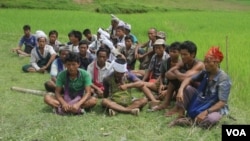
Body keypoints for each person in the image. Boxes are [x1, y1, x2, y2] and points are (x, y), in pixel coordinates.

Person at [168, 46, 232, 129]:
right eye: (205, 62)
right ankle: (181, 116)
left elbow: (222, 102)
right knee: (186, 89)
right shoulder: (206, 72)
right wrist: (180, 90)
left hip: (214, 107)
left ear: (217, 62)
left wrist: (206, 111)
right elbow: (189, 78)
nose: (205, 64)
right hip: (202, 100)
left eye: (208, 62)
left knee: (211, 119)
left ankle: (190, 122)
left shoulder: (223, 79)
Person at [152, 40, 205, 111]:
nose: (182, 57)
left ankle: (178, 107)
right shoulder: (183, 62)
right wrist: (179, 75)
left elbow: (184, 78)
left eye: (185, 54)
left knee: (183, 80)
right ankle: (166, 103)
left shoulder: (199, 65)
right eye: (181, 54)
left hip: (198, 92)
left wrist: (176, 72)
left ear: (192, 54)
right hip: (186, 87)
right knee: (175, 79)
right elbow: (167, 74)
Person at [146, 41, 181, 107]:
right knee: (142, 85)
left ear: (179, 53)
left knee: (171, 95)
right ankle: (154, 100)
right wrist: (161, 84)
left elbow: (179, 82)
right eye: (170, 51)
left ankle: (156, 98)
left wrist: (167, 90)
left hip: (174, 89)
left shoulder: (181, 64)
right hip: (164, 85)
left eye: (174, 52)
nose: (171, 54)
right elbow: (161, 75)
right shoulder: (165, 62)